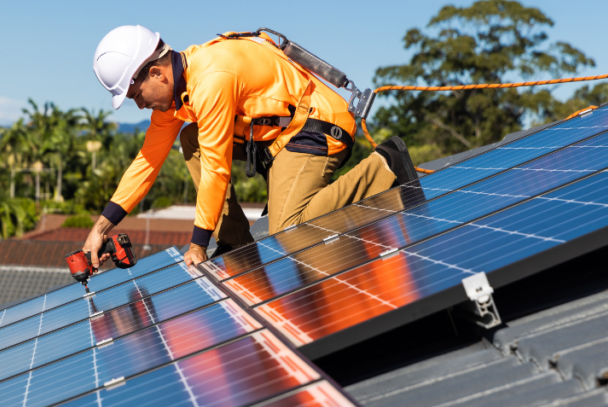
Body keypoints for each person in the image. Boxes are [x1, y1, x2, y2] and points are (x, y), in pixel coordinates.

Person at [81, 25, 417, 270]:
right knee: (190, 138)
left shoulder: (211, 79)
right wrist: (100, 229)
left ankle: (384, 165)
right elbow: (147, 162)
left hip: (316, 127)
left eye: (136, 95)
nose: (139, 106)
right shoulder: (177, 96)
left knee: (289, 229)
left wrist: (198, 244)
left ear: (157, 73)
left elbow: (216, 167)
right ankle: (235, 242)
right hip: (279, 140)